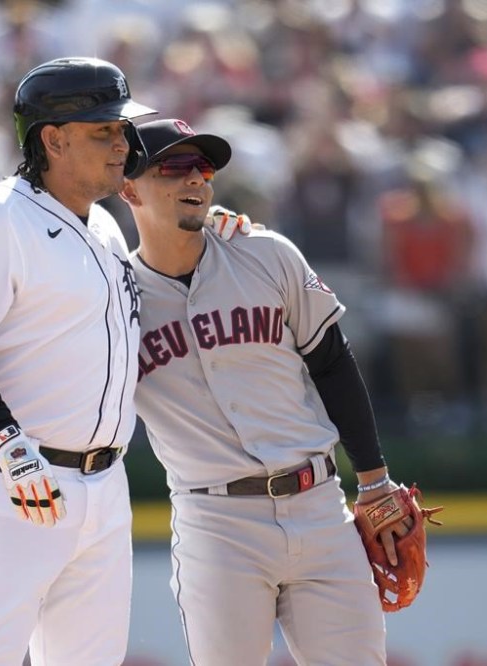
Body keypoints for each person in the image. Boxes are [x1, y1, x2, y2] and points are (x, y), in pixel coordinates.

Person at [0, 59, 247, 665]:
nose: (123, 143)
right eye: (104, 131)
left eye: (122, 130)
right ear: (53, 138)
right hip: (7, 480)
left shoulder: (107, 229)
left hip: (102, 484)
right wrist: (6, 444)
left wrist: (208, 233)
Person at [121, 118, 409, 665]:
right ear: (129, 187)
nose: (196, 180)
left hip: (320, 507)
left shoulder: (265, 253)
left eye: (203, 167)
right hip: (217, 524)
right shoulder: (113, 294)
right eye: (174, 167)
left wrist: (374, 479)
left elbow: (332, 362)